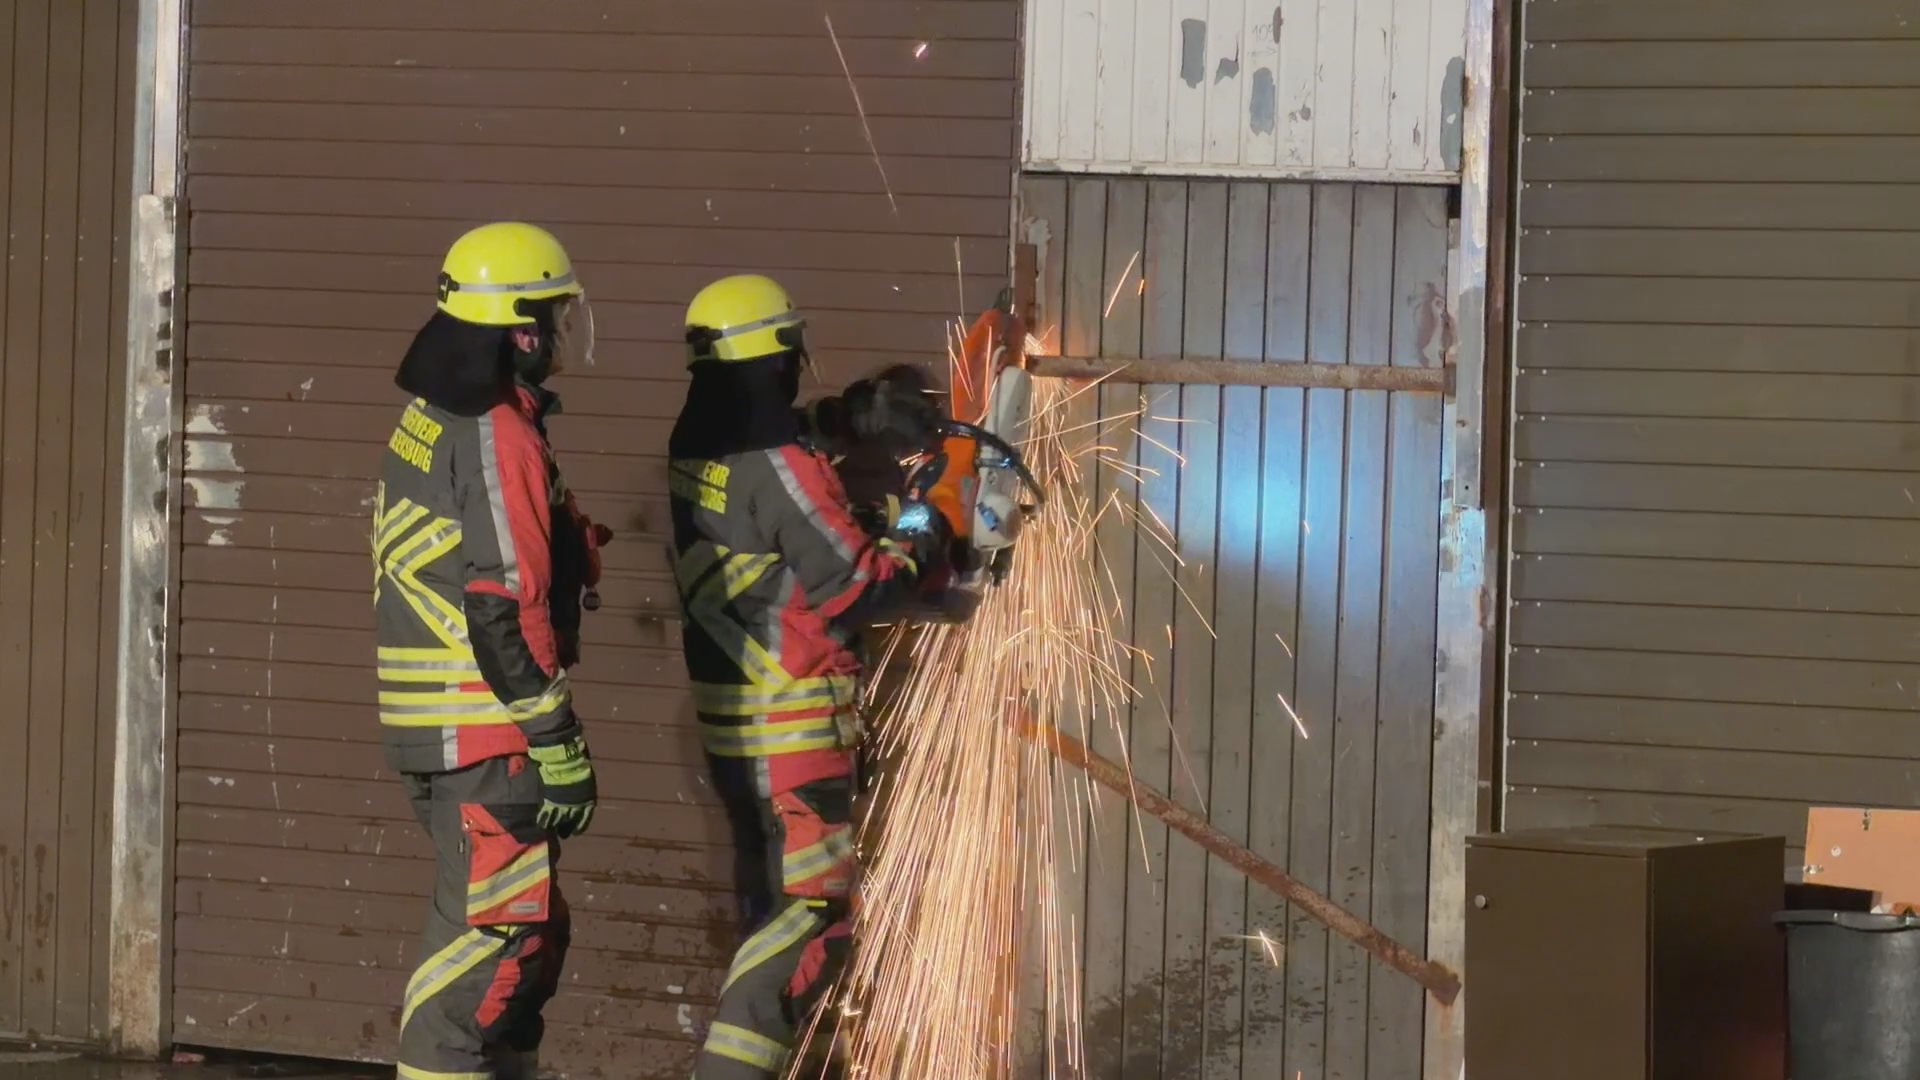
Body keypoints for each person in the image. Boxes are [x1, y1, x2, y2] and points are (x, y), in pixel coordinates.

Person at [667, 273, 947, 1080]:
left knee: (768, 912)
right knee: (811, 917)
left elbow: (768, 453)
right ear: (779, 357)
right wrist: (930, 516)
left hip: (733, 734)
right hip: (794, 734)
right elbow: (863, 587)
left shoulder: (697, 441)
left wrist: (846, 419)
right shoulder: (784, 466)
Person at [373, 221, 602, 1080]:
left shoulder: (430, 416)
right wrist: (559, 743)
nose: (558, 335)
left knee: (533, 938)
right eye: (551, 315)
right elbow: (503, 604)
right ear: (520, 327)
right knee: (485, 960)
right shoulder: (494, 430)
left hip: (442, 730)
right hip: (490, 735)